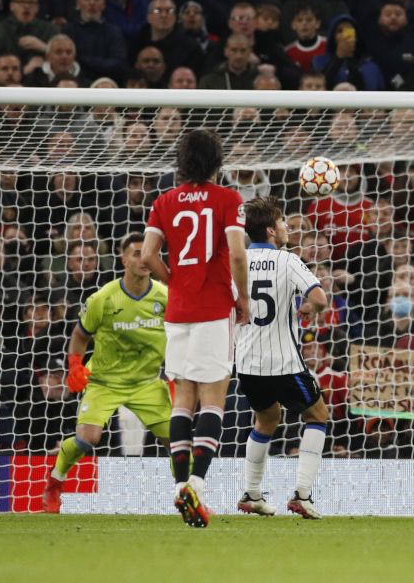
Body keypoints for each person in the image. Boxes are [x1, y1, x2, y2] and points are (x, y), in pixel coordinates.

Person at [140, 129, 250, 528]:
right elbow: (237, 253)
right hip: (213, 307)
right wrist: (243, 298)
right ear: (218, 162)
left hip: (178, 312)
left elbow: (147, 255)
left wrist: (174, 282)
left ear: (182, 162)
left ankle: (179, 486)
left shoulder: (163, 201)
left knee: (182, 401)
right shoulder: (228, 199)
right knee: (213, 400)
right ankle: (197, 486)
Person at [41, 233, 170, 513]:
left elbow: (179, 337)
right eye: (136, 253)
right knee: (87, 438)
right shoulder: (103, 298)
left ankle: (188, 494)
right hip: (104, 381)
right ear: (123, 259)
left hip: (147, 382)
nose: (143, 258)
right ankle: (55, 480)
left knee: (177, 438)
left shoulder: (165, 296)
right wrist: (75, 365)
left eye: (148, 253)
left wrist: (175, 378)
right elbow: (79, 335)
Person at [235, 196, 329, 519]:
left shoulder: (238, 261)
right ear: (271, 231)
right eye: (283, 222)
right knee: (318, 415)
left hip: (247, 363)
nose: (287, 227)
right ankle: (302, 495)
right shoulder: (288, 261)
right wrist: (308, 308)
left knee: (267, 419)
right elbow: (320, 297)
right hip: (283, 362)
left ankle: (252, 494)